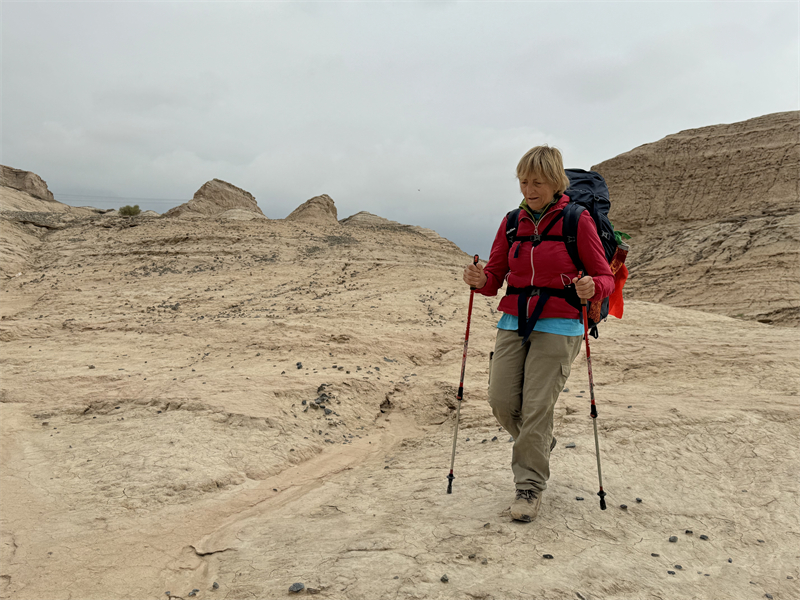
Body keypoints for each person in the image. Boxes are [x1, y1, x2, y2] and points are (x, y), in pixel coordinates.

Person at [463, 145, 614, 523]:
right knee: (500, 400)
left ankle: (528, 486)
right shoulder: (513, 221)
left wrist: (591, 287)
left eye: (538, 182)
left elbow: (605, 276)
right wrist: (481, 280)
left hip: (560, 322)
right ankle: (540, 444)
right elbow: (495, 277)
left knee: (536, 406)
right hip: (514, 319)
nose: (529, 189)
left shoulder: (577, 220)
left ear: (555, 181)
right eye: (524, 181)